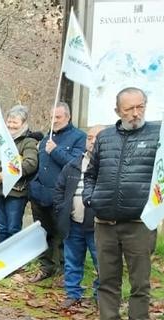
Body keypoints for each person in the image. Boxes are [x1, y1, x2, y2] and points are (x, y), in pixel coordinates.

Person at [81, 87, 162, 320]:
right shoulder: (105, 138)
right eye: (129, 109)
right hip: (105, 222)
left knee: (139, 283)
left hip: (139, 223)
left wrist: (156, 206)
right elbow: (90, 174)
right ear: (118, 111)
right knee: (107, 280)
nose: (136, 113)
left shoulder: (157, 136)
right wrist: (91, 198)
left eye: (140, 106)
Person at [29, 102, 87, 283]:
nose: (54, 121)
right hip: (40, 194)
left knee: (63, 235)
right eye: (51, 117)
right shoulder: (47, 137)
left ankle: (64, 271)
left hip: (61, 195)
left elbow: (75, 164)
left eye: (58, 117)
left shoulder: (79, 137)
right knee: (42, 234)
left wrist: (55, 150)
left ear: (67, 117)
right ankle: (46, 267)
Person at [54, 125, 104, 309]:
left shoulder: (108, 166)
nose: (92, 141)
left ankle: (101, 295)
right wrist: (62, 209)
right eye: (89, 137)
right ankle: (72, 293)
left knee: (102, 262)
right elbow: (59, 189)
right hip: (73, 222)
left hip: (98, 225)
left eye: (97, 138)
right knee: (72, 260)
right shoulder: (73, 165)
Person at [0, 105, 39, 243]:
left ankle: (14, 255)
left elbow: (30, 163)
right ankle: (2, 254)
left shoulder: (28, 141)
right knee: (0, 228)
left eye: (15, 122)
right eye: (9, 121)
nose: (11, 125)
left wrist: (7, 175)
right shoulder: (0, 139)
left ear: (24, 124)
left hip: (16, 192)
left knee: (13, 229)